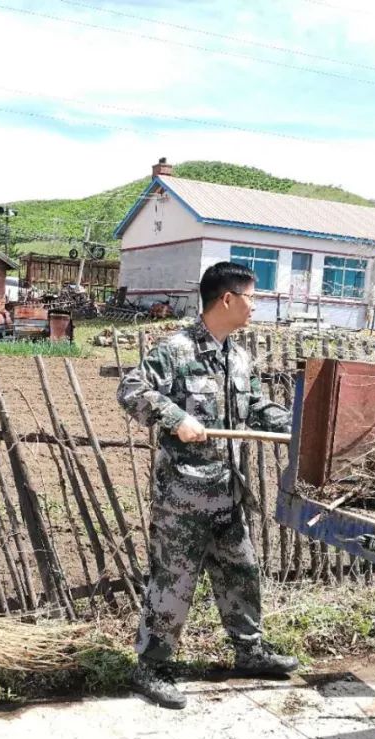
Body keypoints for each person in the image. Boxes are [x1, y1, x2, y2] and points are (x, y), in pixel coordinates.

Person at [117, 261, 299, 710]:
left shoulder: (237, 355)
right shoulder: (176, 349)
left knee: (241, 572)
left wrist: (297, 425)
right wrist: (176, 419)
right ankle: (152, 667)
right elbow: (131, 389)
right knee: (174, 582)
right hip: (182, 494)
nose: (256, 305)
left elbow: (255, 405)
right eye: (252, 297)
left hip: (227, 490)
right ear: (227, 299)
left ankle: (249, 651)